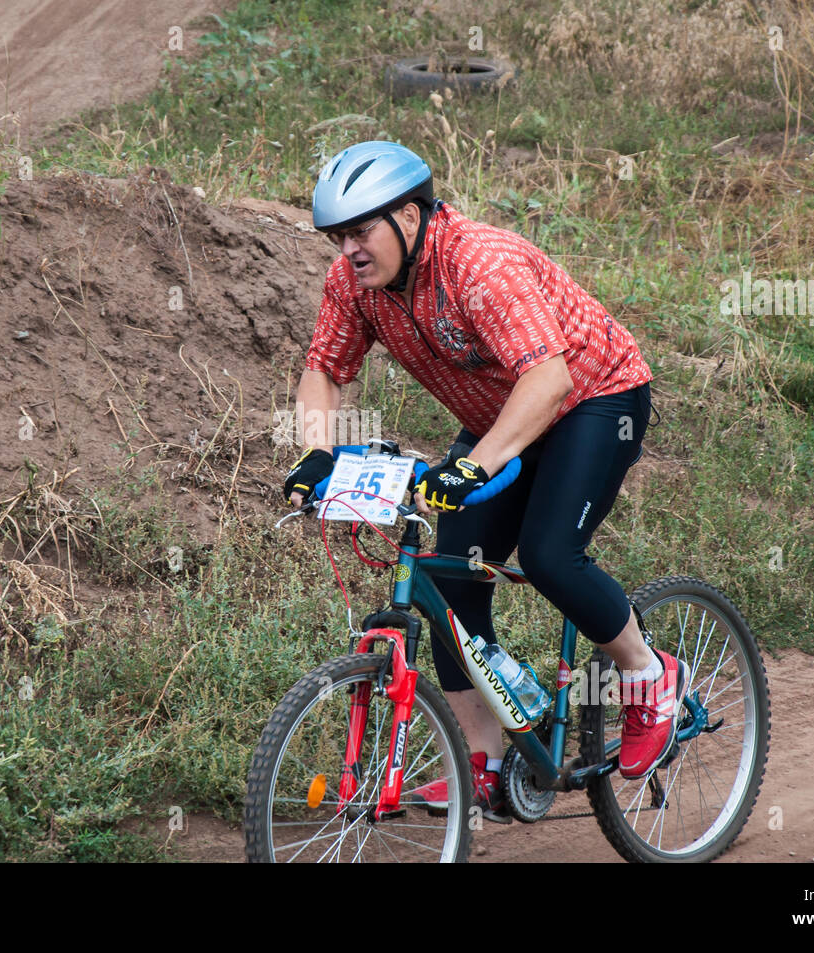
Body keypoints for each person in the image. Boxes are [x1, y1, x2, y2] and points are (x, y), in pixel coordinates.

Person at [282, 140, 683, 822]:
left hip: (592, 398)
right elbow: (323, 368)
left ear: (409, 218)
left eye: (360, 231)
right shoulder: (356, 284)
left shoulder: (478, 263)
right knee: (448, 577)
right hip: (503, 414)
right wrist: (316, 454)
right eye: (338, 236)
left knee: (550, 555)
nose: (347, 249)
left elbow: (549, 377)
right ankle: (486, 760)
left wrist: (477, 464)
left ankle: (649, 674)